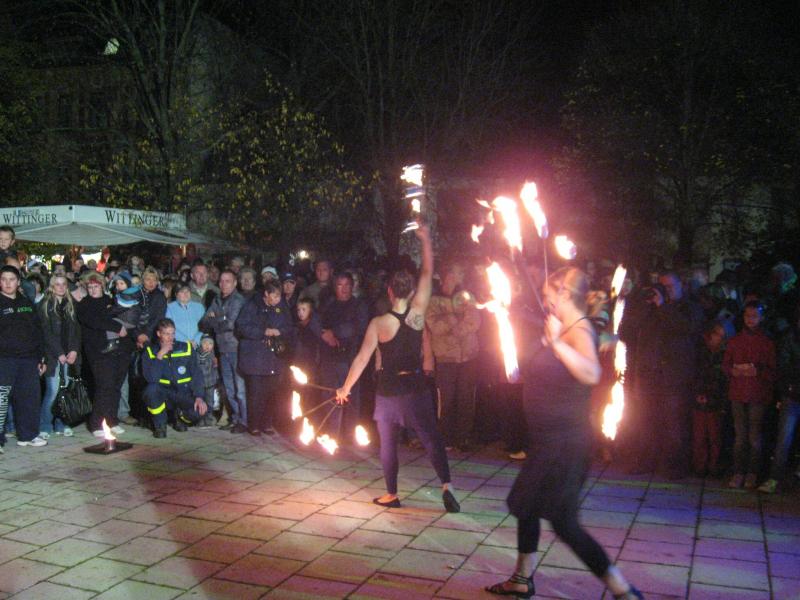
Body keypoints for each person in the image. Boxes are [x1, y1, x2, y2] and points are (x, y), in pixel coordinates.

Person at [487, 267, 642, 599]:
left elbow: (591, 372)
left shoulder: (578, 330)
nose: (546, 301)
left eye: (549, 295)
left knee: (563, 522)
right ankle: (521, 578)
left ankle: (622, 589)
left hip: (565, 445)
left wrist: (556, 342)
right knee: (527, 506)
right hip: (548, 442)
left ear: (564, 293)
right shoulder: (564, 327)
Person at [336, 224, 460, 513]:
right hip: (415, 387)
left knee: (388, 444)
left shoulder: (379, 324)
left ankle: (392, 493)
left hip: (389, 391)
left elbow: (361, 359)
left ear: (390, 291)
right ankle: (447, 485)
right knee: (431, 438)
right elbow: (428, 272)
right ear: (412, 291)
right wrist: (425, 240)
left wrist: (345, 388)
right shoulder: (417, 315)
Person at [426, 261, 481, 451]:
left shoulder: (467, 297)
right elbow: (435, 326)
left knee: (466, 398)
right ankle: (445, 438)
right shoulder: (433, 301)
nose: (460, 277)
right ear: (447, 276)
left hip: (468, 356)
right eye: (457, 273)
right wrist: (452, 318)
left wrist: (456, 328)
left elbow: (475, 322)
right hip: (446, 358)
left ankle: (463, 437)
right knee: (446, 399)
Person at [723, 301, 776, 489]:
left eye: (754, 316)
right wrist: (732, 371)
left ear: (761, 318)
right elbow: (726, 364)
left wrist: (758, 371)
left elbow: (773, 370)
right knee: (740, 436)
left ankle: (752, 473)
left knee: (754, 437)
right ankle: (738, 472)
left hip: (757, 394)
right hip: (738, 393)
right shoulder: (735, 341)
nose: (750, 320)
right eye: (747, 316)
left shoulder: (767, 343)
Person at [76, 271, 132, 437]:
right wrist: (116, 327)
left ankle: (112, 420)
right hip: (99, 351)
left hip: (119, 349)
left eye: (96, 286)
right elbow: (94, 321)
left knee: (116, 386)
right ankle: (96, 423)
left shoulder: (111, 300)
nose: (93, 290)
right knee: (104, 386)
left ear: (102, 286)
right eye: (90, 287)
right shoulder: (84, 304)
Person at [234, 281, 294, 435]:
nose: (277, 299)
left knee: (271, 393)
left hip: (274, 358)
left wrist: (280, 332)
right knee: (256, 394)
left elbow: (290, 327)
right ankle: (254, 425)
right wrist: (263, 332)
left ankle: (267, 423)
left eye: (279, 296)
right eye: (274, 296)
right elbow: (242, 327)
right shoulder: (252, 305)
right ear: (266, 294)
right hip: (255, 358)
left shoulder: (282, 307)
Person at [0, 265, 48, 450]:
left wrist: (41, 358)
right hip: (4, 360)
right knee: (2, 400)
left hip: (28, 360)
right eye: (4, 279)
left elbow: (38, 332)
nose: (8, 283)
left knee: (29, 399)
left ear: (18, 282)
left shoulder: (27, 303)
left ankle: (28, 435)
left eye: (12, 279)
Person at [319, 272, 369, 441]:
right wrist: (324, 334)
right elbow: (317, 321)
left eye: (347, 284)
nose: (344, 288)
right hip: (329, 358)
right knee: (330, 397)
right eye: (340, 285)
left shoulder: (359, 305)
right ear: (335, 287)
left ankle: (350, 436)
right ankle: (332, 434)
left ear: (352, 286)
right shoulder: (329, 304)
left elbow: (358, 327)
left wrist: (334, 333)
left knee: (351, 398)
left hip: (350, 358)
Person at [142, 318, 208, 438]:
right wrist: (160, 355)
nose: (170, 337)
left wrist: (199, 396)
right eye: (166, 334)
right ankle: (160, 425)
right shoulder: (150, 351)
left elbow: (197, 374)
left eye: (172, 333)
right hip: (163, 393)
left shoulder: (186, 348)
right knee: (151, 390)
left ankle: (179, 419)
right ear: (159, 334)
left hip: (183, 392)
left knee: (199, 410)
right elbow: (152, 378)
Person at [760, 302, 800, 493]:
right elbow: (783, 367)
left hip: (791, 391)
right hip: (792, 394)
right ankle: (775, 477)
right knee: (784, 438)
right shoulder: (789, 338)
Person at [200, 269, 247, 429]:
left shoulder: (238, 300)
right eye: (221, 281)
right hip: (223, 349)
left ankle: (244, 421)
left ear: (235, 283)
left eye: (228, 281)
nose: (223, 284)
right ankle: (235, 418)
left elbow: (230, 324)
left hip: (236, 349)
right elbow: (203, 323)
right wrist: (220, 319)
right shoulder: (217, 300)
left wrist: (215, 319)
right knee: (229, 387)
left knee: (240, 388)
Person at [37, 274, 81, 439]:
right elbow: (46, 334)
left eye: (64, 284)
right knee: (53, 391)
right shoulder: (45, 305)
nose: (61, 287)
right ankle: (45, 425)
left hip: (70, 356)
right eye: (57, 284)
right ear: (52, 286)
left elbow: (77, 330)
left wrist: (74, 350)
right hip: (52, 356)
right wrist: (59, 353)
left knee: (66, 392)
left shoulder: (71, 304)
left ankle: (62, 424)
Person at [692, 322, 727, 477]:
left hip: (715, 403)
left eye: (721, 335)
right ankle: (700, 467)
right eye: (716, 333)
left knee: (714, 437)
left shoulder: (724, 355)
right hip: (700, 401)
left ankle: (714, 467)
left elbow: (723, 381)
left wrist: (713, 397)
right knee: (699, 436)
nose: (717, 338)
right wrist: (698, 394)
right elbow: (696, 375)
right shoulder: (701, 352)